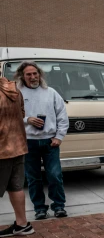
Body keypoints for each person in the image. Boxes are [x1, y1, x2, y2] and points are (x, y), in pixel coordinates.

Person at [16, 61, 69, 220]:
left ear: (39, 74)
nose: (33, 77)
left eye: (35, 73)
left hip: (50, 142)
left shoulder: (51, 92)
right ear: (22, 76)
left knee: (54, 175)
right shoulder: (17, 94)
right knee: (33, 178)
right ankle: (40, 209)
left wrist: (59, 137)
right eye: (29, 74)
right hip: (28, 142)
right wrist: (27, 120)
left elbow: (63, 116)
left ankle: (59, 206)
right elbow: (10, 117)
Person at [0, 77, 34, 237]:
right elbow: (21, 113)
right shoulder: (14, 89)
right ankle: (22, 224)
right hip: (18, 145)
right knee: (16, 187)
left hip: (2, 149)